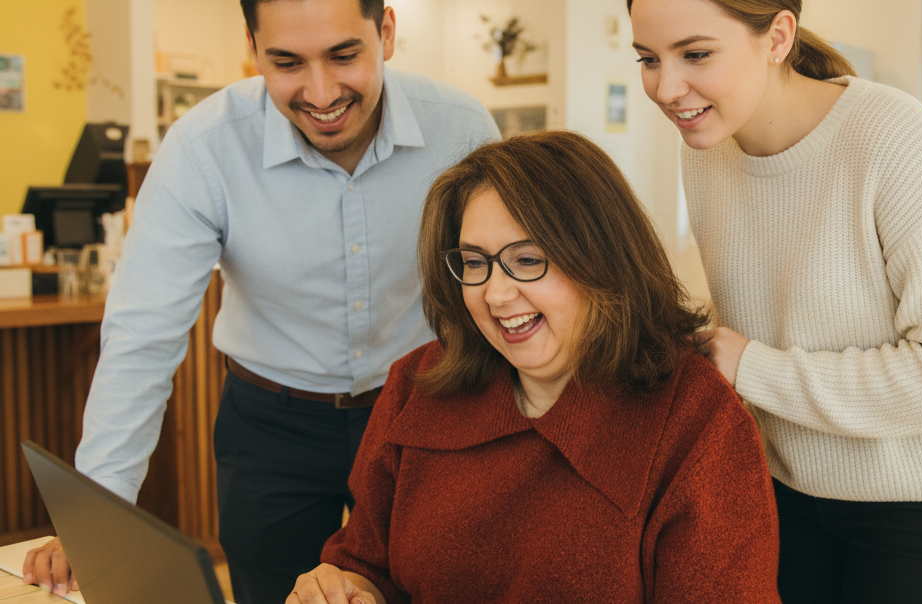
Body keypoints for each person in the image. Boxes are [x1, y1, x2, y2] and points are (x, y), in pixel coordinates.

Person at [22, 1, 498, 603]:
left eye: (343, 55)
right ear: (252, 48)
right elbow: (143, 335)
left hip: (421, 409)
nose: (321, 93)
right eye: (287, 62)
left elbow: (501, 288)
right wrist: (95, 514)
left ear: (385, 32)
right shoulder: (204, 148)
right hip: (271, 426)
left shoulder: (462, 129)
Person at [284, 130, 782, 604]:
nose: (496, 294)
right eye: (474, 263)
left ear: (601, 259)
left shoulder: (697, 420)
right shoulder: (418, 384)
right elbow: (366, 564)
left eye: (527, 260)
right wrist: (343, 589)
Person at [628, 0, 922, 602]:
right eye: (648, 59)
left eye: (695, 54)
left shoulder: (890, 135)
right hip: (785, 490)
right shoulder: (705, 152)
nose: (666, 88)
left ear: (778, 36)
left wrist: (755, 368)